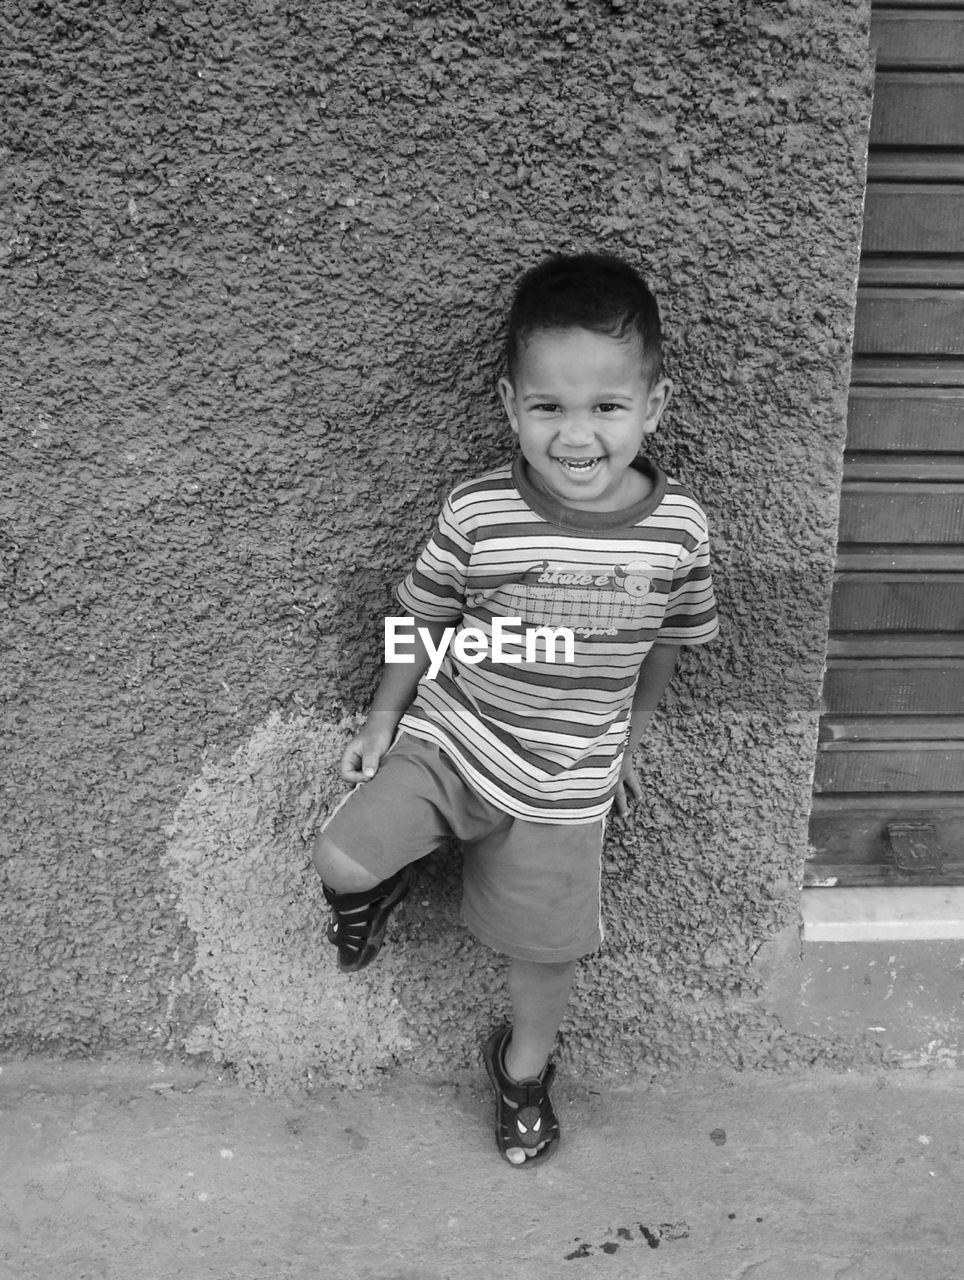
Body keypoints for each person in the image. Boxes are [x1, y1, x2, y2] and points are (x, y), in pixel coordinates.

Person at [312, 252, 718, 1167]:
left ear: (652, 406)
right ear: (510, 406)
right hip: (456, 734)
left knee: (546, 957)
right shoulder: (479, 514)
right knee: (337, 857)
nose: (578, 436)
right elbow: (421, 616)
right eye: (550, 407)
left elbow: (665, 644)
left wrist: (631, 742)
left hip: (566, 777)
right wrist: (383, 720)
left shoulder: (678, 531)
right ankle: (384, 881)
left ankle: (523, 1068)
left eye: (608, 407)